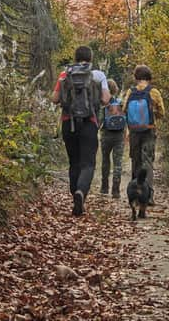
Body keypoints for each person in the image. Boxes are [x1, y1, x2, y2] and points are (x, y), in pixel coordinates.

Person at [51, 46, 111, 216]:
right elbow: (106, 99)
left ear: (75, 57)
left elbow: (54, 98)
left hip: (68, 123)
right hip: (89, 123)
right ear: (91, 58)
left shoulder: (65, 74)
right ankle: (81, 193)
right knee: (88, 163)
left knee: (74, 162)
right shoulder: (97, 75)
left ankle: (75, 196)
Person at [122, 65, 165, 204]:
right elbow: (162, 113)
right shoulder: (154, 92)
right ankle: (149, 196)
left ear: (136, 77)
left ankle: (134, 193)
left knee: (136, 161)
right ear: (149, 77)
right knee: (147, 162)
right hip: (149, 131)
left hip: (134, 130)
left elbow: (124, 109)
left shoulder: (131, 91)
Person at [100, 79, 126, 198]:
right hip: (119, 136)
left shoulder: (103, 104)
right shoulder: (120, 103)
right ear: (115, 89)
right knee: (118, 163)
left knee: (105, 160)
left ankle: (104, 187)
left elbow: (99, 121)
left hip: (106, 135)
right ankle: (116, 190)